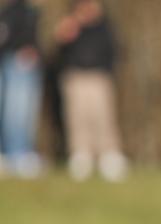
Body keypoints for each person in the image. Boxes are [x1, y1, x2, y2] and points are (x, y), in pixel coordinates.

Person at [54, 0, 127, 182]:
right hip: (76, 76)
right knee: (77, 117)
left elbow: (114, 51)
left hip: (99, 77)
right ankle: (81, 156)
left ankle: (109, 156)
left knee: (103, 118)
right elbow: (60, 49)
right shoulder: (70, 25)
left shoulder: (105, 26)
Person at [0, 0, 43, 178]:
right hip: (12, 64)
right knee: (14, 112)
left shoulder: (29, 11)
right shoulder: (10, 12)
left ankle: (20, 152)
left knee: (22, 113)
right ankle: (13, 154)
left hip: (24, 66)